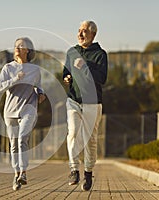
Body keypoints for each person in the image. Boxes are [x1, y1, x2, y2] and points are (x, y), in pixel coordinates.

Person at [63, 21, 108, 191]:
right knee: (73, 132)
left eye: (84, 31)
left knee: (90, 139)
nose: (80, 34)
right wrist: (67, 77)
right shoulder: (72, 52)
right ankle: (74, 170)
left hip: (92, 102)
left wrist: (85, 66)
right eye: (79, 30)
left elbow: (102, 78)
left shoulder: (100, 54)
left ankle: (88, 172)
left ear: (93, 35)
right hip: (73, 100)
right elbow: (66, 71)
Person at [0, 37, 46, 191]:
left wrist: (41, 93)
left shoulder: (35, 70)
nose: (17, 47)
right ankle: (16, 174)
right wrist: (15, 79)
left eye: (21, 46)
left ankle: (23, 172)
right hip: (10, 111)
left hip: (28, 107)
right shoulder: (8, 68)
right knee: (13, 145)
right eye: (16, 45)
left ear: (28, 50)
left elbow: (38, 87)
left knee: (22, 139)